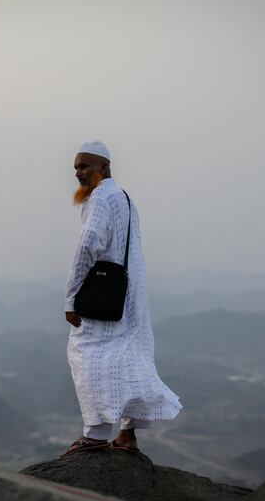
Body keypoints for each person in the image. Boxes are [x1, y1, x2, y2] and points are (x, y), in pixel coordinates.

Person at [63, 139, 182, 457]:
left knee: (83, 353)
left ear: (104, 167)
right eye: (75, 167)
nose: (78, 172)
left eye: (84, 165)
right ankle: (127, 435)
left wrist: (71, 298)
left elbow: (88, 244)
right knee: (130, 356)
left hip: (104, 294)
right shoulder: (124, 198)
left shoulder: (102, 197)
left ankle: (95, 435)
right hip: (130, 293)